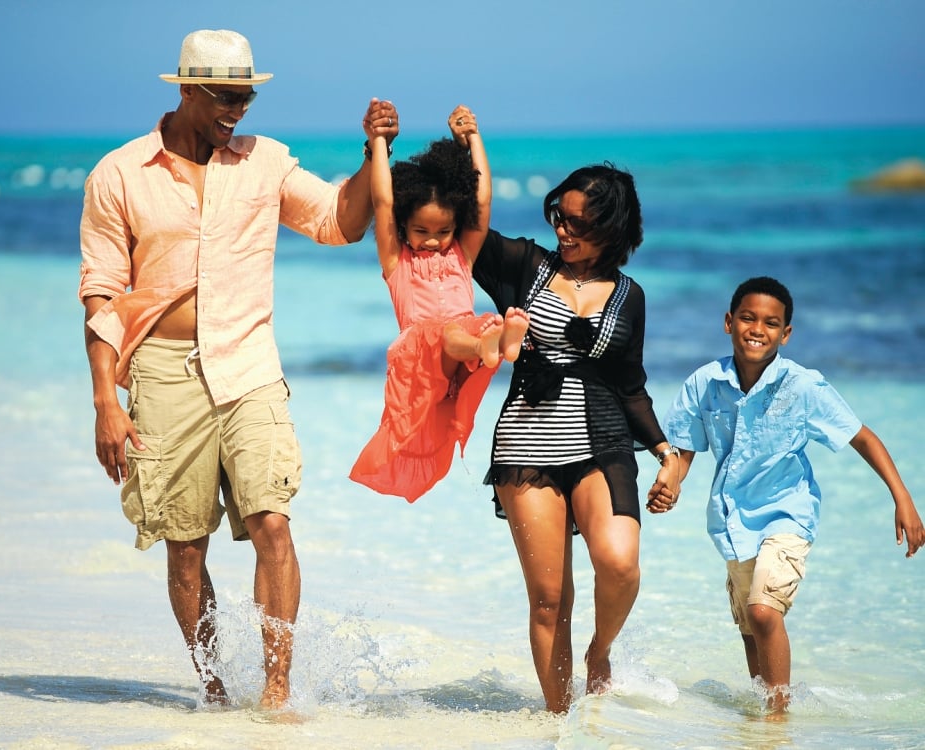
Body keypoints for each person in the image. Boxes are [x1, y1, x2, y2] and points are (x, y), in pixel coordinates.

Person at [77, 28, 399, 710]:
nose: (238, 110)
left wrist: (375, 153)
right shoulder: (118, 174)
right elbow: (101, 292)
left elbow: (340, 223)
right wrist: (106, 398)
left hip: (248, 361)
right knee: (185, 546)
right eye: (226, 96)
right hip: (162, 371)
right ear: (187, 89)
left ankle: (276, 692)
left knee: (271, 522)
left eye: (247, 97)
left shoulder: (266, 163)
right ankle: (216, 692)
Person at [648, 275, 924, 716]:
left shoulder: (803, 386)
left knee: (762, 612)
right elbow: (684, 450)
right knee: (750, 630)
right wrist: (672, 481)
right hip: (732, 521)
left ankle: (778, 719)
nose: (758, 329)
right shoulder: (704, 383)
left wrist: (902, 498)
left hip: (788, 516)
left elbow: (862, 437)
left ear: (786, 333)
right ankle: (763, 714)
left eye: (771, 323)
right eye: (748, 318)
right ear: (728, 322)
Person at [470, 163, 680, 713]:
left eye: (578, 222)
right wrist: (469, 148)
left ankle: (600, 649)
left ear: (613, 229)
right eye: (559, 217)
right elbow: (466, 224)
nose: (564, 230)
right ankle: (559, 724)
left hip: (604, 443)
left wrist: (665, 452)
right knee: (548, 600)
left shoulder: (630, 295)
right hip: (527, 447)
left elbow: (630, 385)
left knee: (618, 563)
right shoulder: (525, 265)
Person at [349, 105, 529, 503]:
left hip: (462, 353)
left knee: (466, 327)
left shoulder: (462, 255)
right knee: (452, 332)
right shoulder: (397, 262)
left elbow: (482, 201)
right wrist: (379, 143)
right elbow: (382, 202)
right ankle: (494, 347)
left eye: (444, 230)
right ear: (403, 227)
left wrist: (474, 140)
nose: (433, 240)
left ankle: (499, 346)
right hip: (422, 360)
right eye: (421, 231)